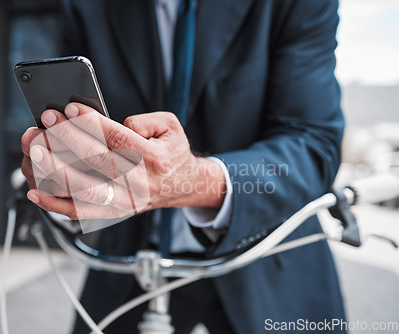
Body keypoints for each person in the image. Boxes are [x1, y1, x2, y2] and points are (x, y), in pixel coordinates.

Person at [21, 0, 347, 333]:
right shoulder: (88, 7)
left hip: (265, 261)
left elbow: (314, 146)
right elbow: (79, 127)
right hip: (127, 265)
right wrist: (68, 178)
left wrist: (192, 181)